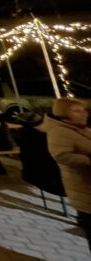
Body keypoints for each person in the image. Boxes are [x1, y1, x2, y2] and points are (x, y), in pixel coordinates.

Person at [45, 98, 91, 252]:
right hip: (85, 191)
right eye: (77, 111)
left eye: (84, 110)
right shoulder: (59, 131)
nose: (84, 114)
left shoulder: (80, 129)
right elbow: (61, 155)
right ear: (64, 114)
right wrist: (88, 160)